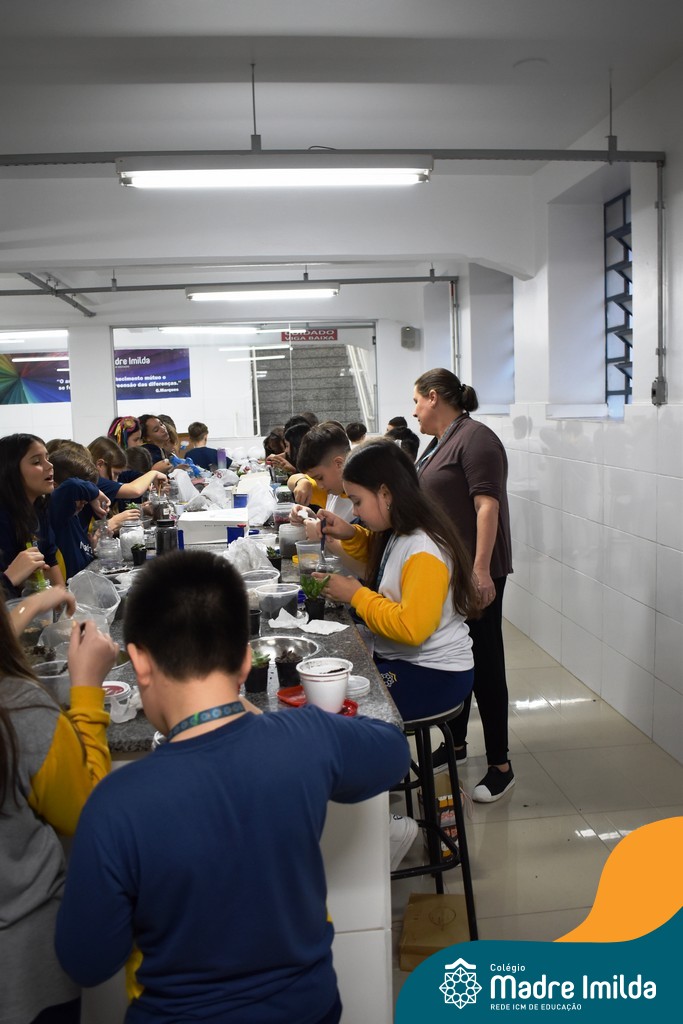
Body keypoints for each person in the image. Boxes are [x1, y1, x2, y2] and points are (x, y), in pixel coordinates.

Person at [55, 550, 410, 1024]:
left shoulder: (115, 806)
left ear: (139, 662)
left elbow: (87, 960)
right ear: (246, 661)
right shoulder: (306, 740)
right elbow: (392, 752)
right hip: (309, 1009)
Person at [0, 592, 119, 1024]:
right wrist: (86, 689)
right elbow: (87, 812)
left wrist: (27, 608)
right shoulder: (18, 710)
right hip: (26, 974)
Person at [312, 439, 478, 724]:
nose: (355, 511)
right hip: (405, 659)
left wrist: (356, 595)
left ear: (385, 493)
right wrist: (349, 533)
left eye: (357, 501)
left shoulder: (423, 550)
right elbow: (383, 558)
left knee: (337, 708)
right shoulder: (399, 531)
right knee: (326, 686)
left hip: (434, 673)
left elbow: (411, 628)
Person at [413, 368, 514, 803]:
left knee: (486, 662)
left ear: (434, 397)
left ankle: (501, 766)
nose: (414, 411)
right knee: (456, 654)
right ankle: (454, 744)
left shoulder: (476, 439)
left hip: (476, 571)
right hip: (449, 570)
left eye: (417, 401)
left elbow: (487, 506)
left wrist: (480, 571)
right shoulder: (440, 442)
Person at [0, 434, 65, 599]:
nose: (50, 465)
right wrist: (10, 577)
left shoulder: (39, 509)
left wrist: (65, 605)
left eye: (47, 458)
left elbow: (50, 558)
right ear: (11, 471)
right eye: (37, 462)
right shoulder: (3, 518)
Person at [48, 447, 110, 579]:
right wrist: (95, 494)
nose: (85, 501)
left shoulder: (74, 518)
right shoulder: (57, 514)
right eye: (81, 496)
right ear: (56, 487)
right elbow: (72, 486)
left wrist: (94, 549)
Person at [288, 422, 354, 527]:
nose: (319, 485)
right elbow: (292, 480)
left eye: (320, 478)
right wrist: (302, 482)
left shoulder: (365, 496)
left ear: (339, 464)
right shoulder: (333, 489)